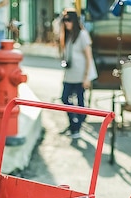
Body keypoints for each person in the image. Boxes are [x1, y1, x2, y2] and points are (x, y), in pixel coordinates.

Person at [59, 9, 96, 140]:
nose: (66, 23)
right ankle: (74, 124)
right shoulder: (67, 36)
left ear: (74, 21)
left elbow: (88, 57)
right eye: (64, 20)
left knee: (80, 102)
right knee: (64, 98)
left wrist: (87, 77)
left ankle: (77, 127)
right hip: (69, 75)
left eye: (68, 20)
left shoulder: (82, 35)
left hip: (80, 75)